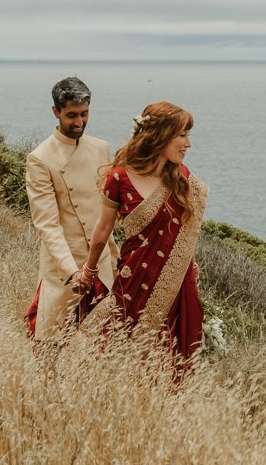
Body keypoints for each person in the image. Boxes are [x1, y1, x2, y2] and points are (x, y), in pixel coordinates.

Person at [83, 101, 210, 374]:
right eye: (182, 135)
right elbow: (102, 229)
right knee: (117, 341)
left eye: (188, 135)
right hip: (135, 277)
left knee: (173, 352)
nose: (188, 143)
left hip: (177, 280)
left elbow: (183, 230)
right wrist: (89, 268)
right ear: (160, 135)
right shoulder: (119, 178)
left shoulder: (183, 178)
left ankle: (164, 407)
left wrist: (191, 262)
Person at [23, 77, 113, 347]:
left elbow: (110, 206)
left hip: (102, 261)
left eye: (84, 114)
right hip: (65, 265)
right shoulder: (40, 158)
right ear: (56, 112)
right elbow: (47, 224)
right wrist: (72, 271)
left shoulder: (101, 148)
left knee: (102, 344)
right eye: (71, 115)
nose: (79, 123)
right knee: (49, 344)